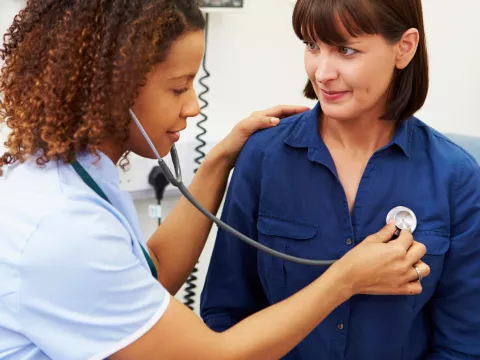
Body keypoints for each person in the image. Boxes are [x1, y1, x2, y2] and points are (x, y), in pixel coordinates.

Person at [0, 1, 431, 359]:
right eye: (178, 88)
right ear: (110, 90)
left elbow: (152, 274)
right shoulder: (61, 224)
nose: (193, 107)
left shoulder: (76, 173)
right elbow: (212, 353)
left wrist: (218, 161)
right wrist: (346, 278)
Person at [200, 0, 480, 359]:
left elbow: (463, 345)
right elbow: (224, 314)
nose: (322, 72)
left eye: (346, 50)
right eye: (312, 46)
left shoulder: (456, 178)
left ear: (404, 48)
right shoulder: (263, 158)